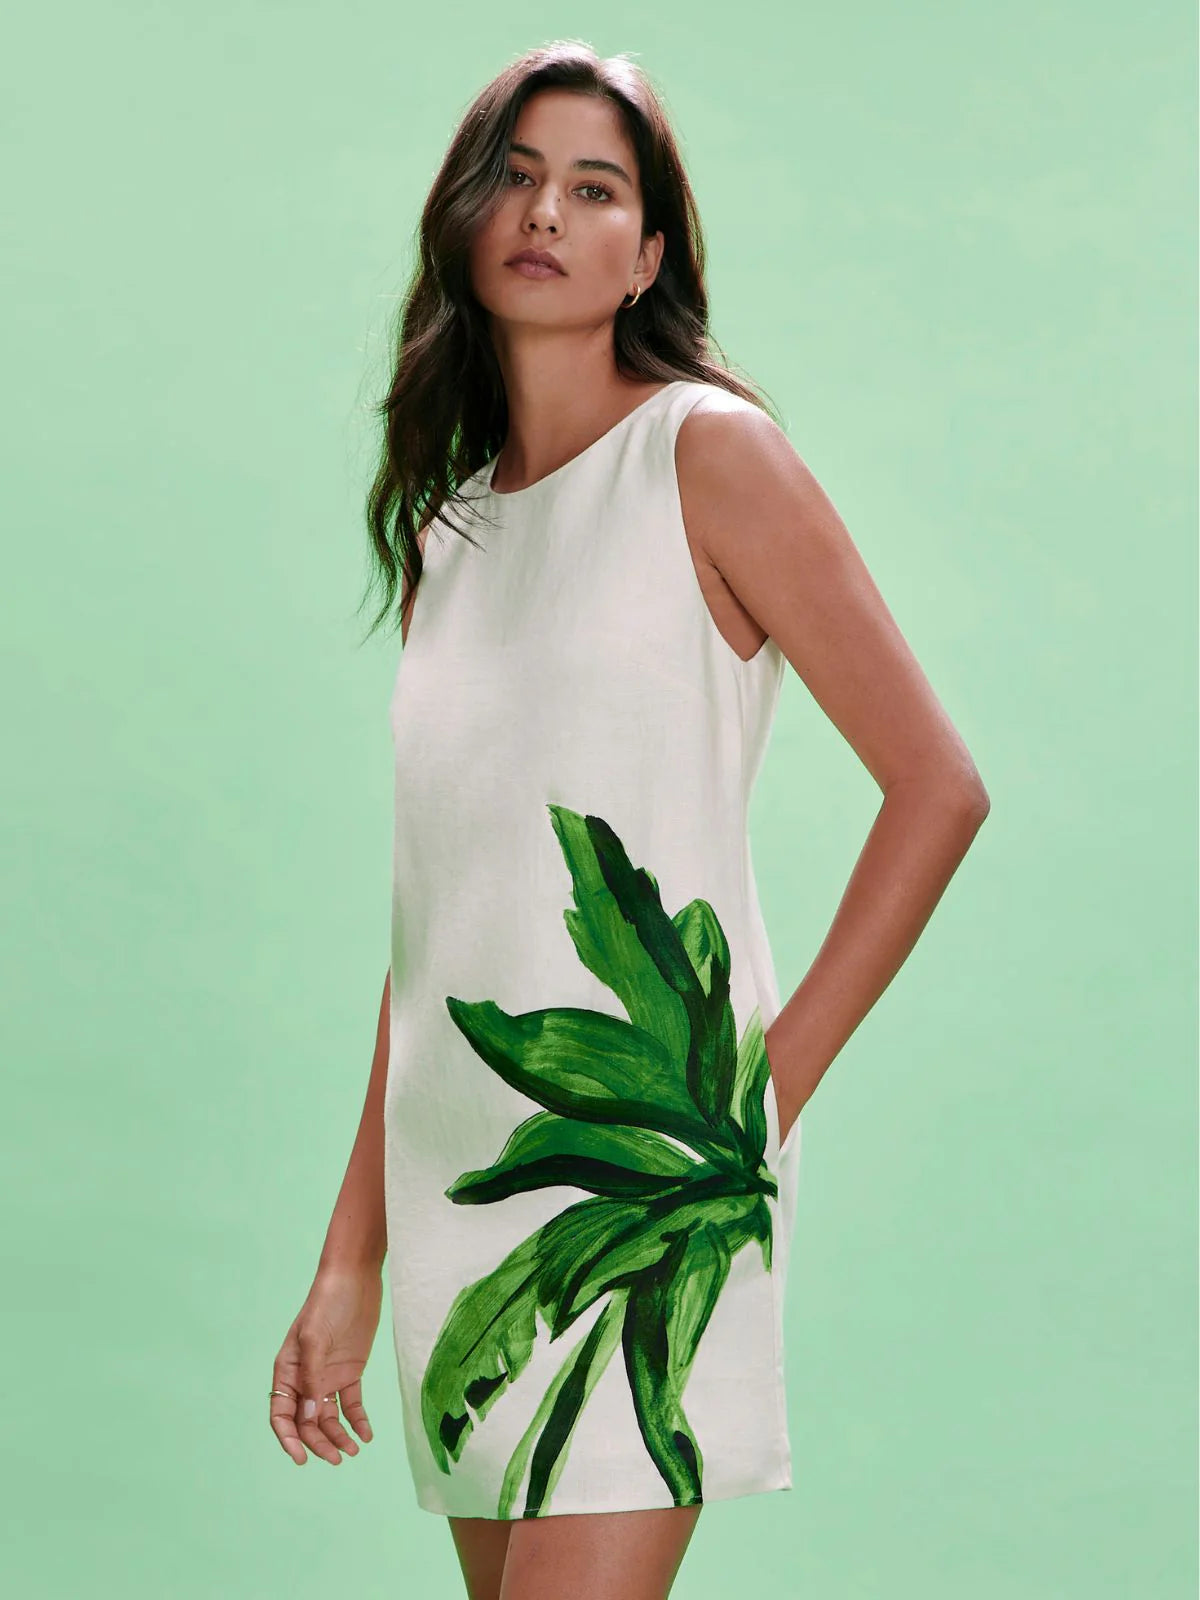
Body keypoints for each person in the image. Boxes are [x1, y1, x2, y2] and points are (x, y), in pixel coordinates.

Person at [268, 40, 990, 1600]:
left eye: (595, 189)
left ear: (648, 253)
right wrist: (349, 1256)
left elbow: (940, 789)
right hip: (466, 1193)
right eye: (518, 176)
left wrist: (759, 1103)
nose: (547, 212)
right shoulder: (453, 531)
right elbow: (434, 935)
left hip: (650, 1177)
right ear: (467, 216)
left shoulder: (707, 455)